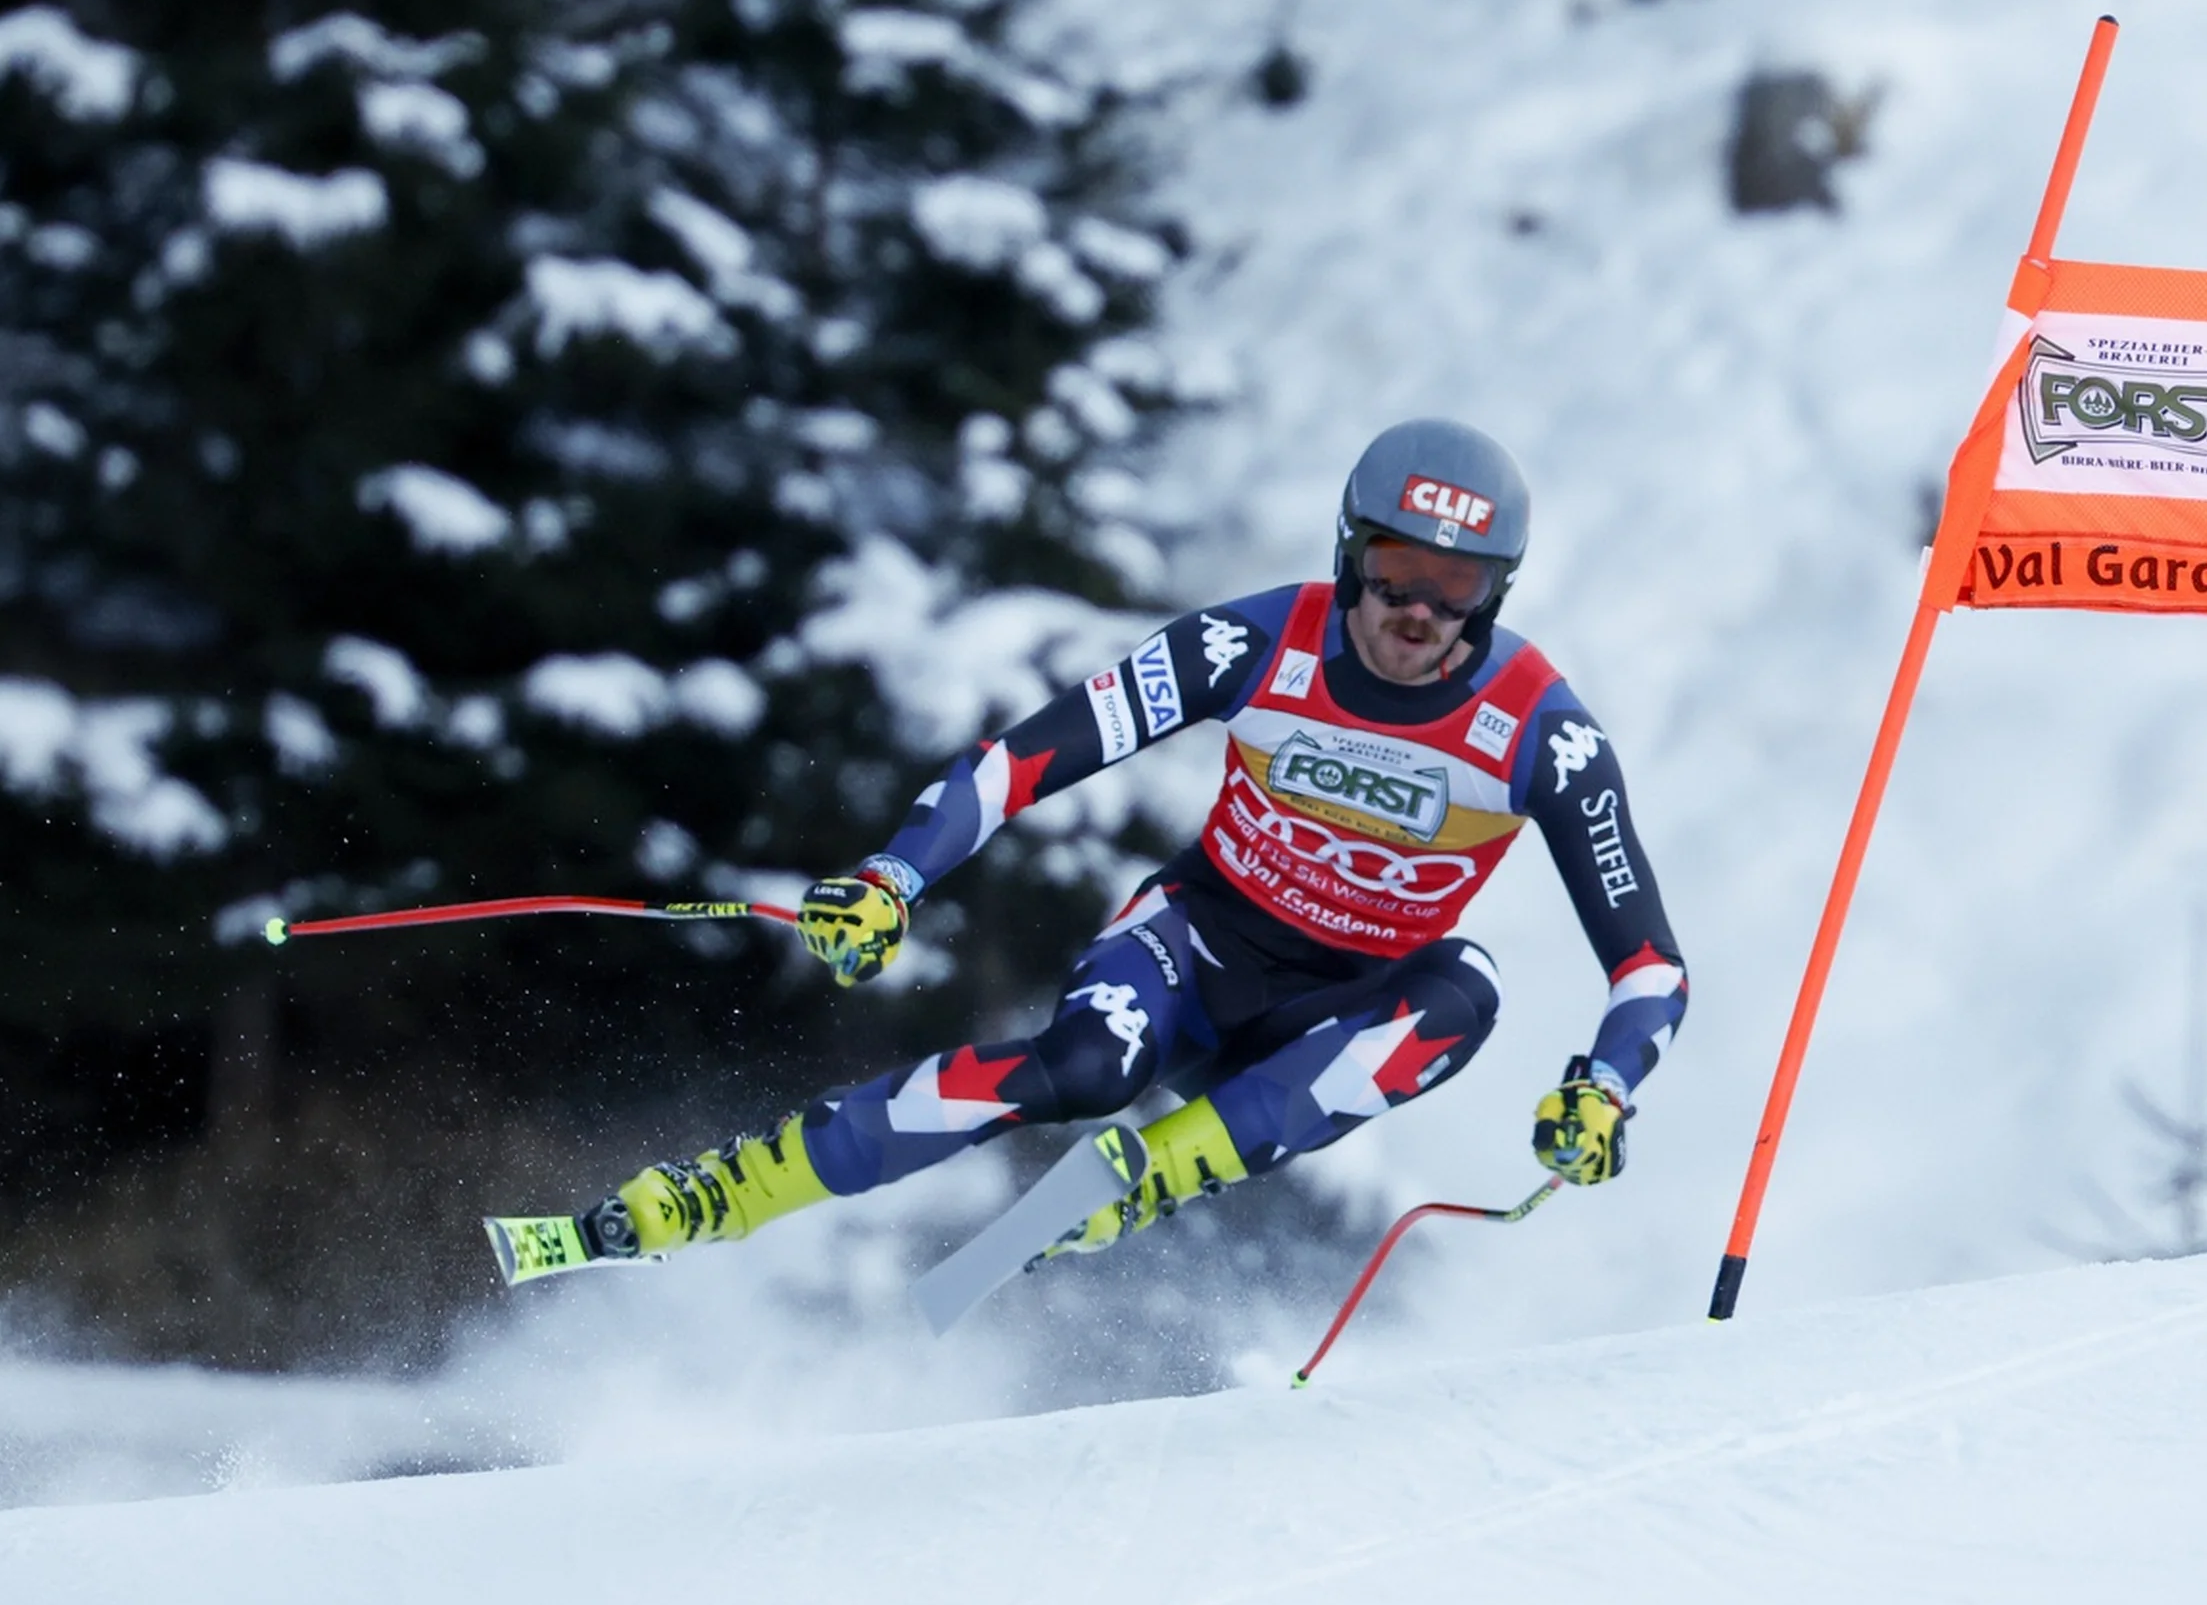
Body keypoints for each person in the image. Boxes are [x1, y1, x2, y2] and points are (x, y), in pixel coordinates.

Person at [579, 419, 1689, 1265]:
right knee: (1083, 1071)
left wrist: (1607, 1088)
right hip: (1197, 948)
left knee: (1471, 987)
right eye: (1401, 570)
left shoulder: (1544, 731)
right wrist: (894, 874)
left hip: (1340, 1010)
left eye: (1458, 586)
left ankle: (1151, 1181)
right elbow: (1026, 758)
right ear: (1352, 553)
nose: (1421, 611)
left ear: (1495, 594)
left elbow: (1651, 967)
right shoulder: (1251, 642)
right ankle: (730, 1191)